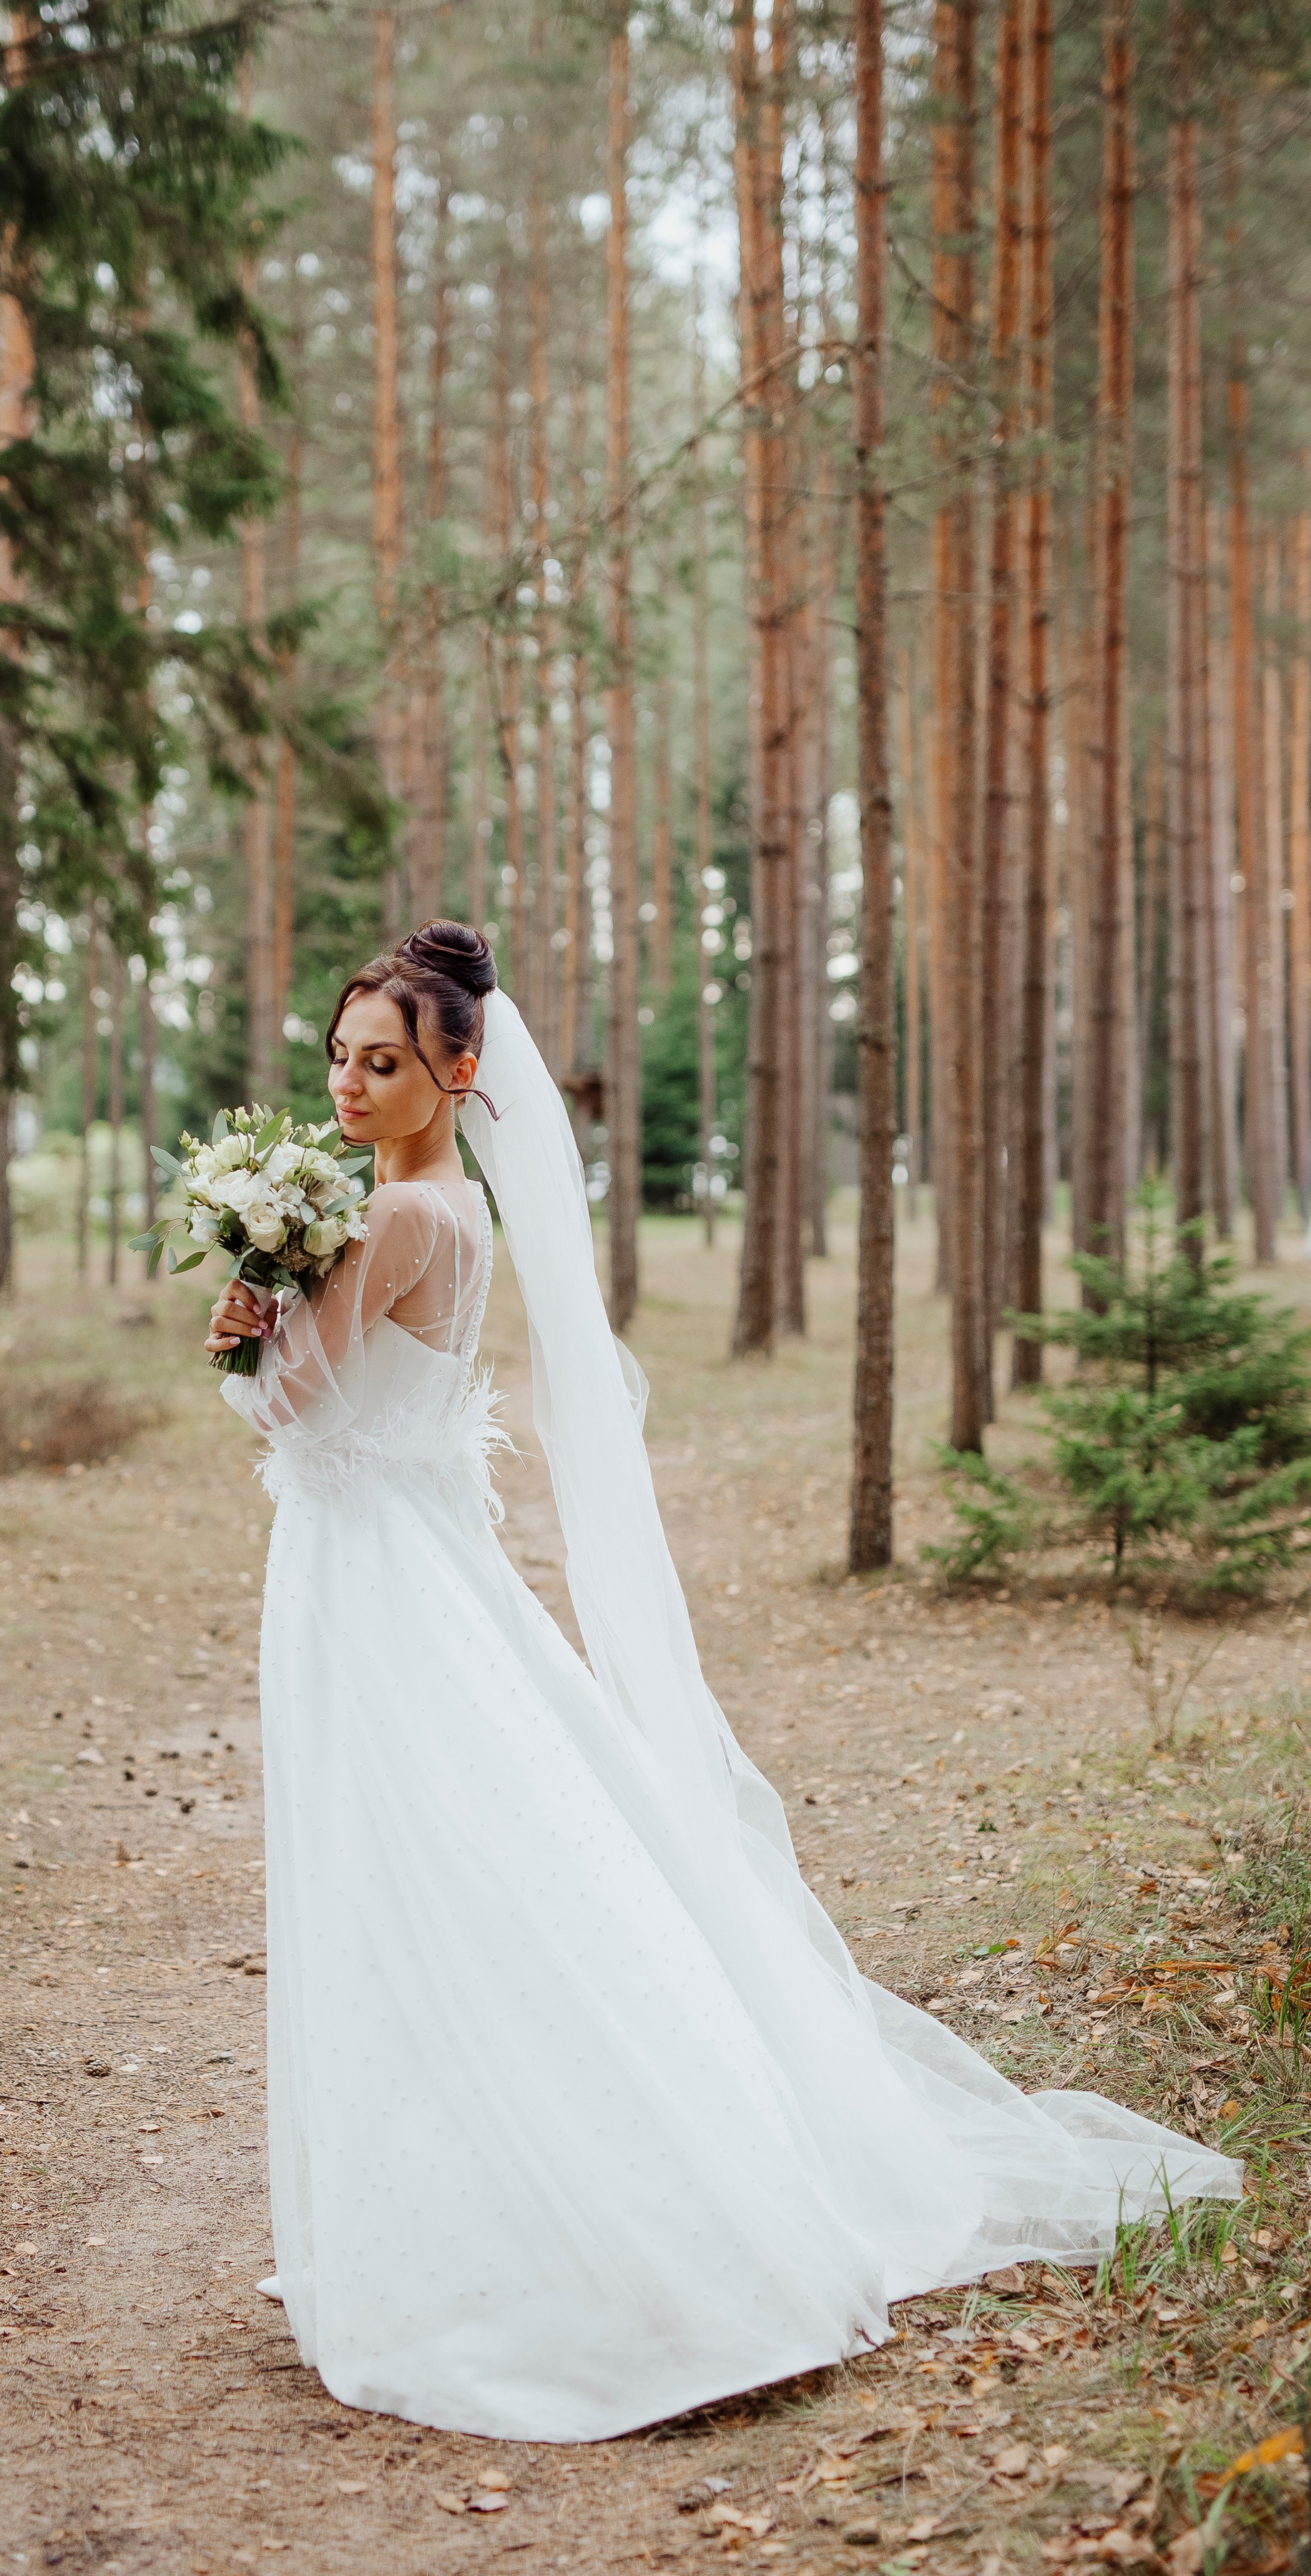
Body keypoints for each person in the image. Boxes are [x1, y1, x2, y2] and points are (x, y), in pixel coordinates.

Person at [205, 920, 1238, 2446]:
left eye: (385, 1064)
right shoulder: (446, 1208)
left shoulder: (404, 1219)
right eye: (341, 1059)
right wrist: (281, 1302)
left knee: (414, 1871)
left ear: (459, 1075)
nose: (350, 1087)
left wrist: (244, 1314)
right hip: (405, 1563)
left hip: (381, 1582)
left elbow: (290, 1404)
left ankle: (540, 2216)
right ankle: (476, 2198)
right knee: (458, 1863)